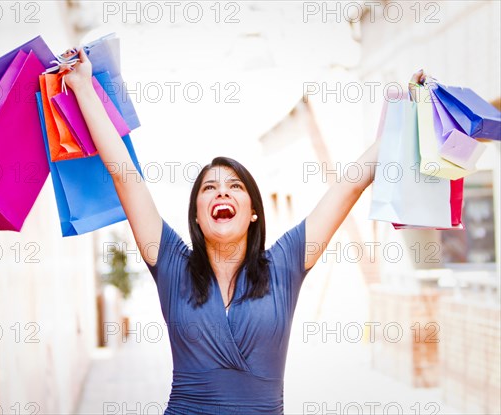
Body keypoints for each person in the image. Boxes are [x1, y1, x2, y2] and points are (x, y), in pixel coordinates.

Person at [64, 48, 425, 414]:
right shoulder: (173, 267)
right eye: (209, 187)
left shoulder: (284, 265)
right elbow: (127, 179)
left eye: (235, 186)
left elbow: (350, 185)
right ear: (198, 216)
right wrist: (82, 87)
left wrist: (408, 115)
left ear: (253, 212)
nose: (222, 191)